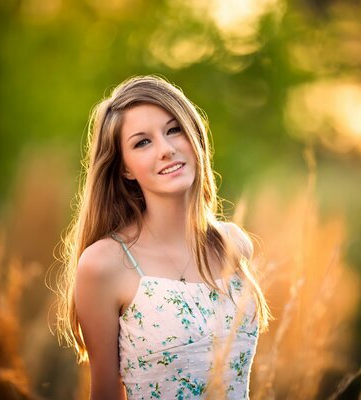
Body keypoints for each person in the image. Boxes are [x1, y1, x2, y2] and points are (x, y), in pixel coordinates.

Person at [56, 75, 271, 399]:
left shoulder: (232, 244)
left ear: (194, 135)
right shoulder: (105, 264)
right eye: (142, 142)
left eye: (174, 130)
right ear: (125, 168)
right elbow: (105, 393)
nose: (166, 150)